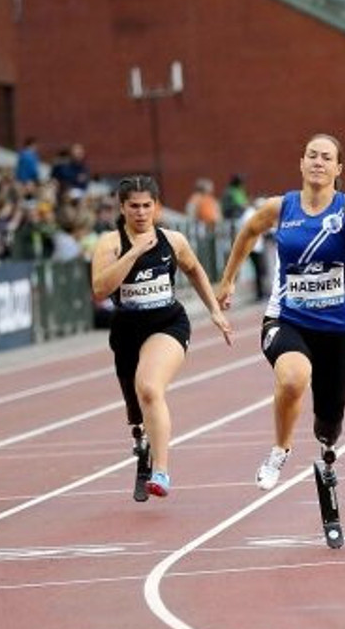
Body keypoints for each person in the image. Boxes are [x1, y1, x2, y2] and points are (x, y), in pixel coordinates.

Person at [215, 134, 345, 492]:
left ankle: (327, 448)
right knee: (293, 378)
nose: (318, 162)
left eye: (326, 157)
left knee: (329, 426)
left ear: (338, 168)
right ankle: (280, 449)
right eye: (312, 155)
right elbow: (248, 231)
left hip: (334, 331)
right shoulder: (281, 207)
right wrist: (228, 279)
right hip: (286, 319)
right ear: (301, 163)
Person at [91, 175, 232, 501]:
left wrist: (214, 309)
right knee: (135, 411)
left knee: (150, 389)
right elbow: (100, 289)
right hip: (126, 330)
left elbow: (194, 269)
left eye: (147, 206)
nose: (141, 213)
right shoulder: (110, 243)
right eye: (134, 206)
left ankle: (161, 471)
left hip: (168, 324)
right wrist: (133, 253)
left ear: (156, 206)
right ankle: (141, 439)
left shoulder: (173, 239)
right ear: (122, 208)